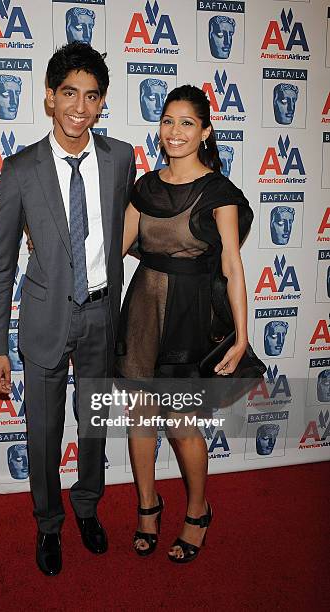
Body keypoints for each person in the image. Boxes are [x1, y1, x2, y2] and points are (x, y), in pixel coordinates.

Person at [0, 42, 136, 576]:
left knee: (92, 426)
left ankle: (87, 506)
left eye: (92, 96)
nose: (80, 108)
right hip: (45, 316)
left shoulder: (121, 158)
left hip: (99, 315)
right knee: (42, 434)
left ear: (102, 102)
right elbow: (3, 263)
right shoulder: (20, 168)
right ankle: (49, 525)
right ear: (49, 97)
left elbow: (127, 231)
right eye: (69, 93)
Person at [117, 84, 253, 563]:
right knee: (139, 419)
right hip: (140, 314)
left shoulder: (219, 192)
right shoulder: (145, 187)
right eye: (168, 121)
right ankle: (148, 508)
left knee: (181, 425)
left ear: (206, 131)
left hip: (189, 317)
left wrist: (241, 337)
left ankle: (198, 511)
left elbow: (233, 267)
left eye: (187, 123)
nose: (174, 132)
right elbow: (115, 252)